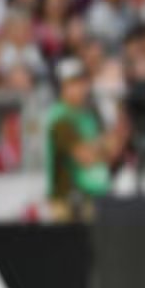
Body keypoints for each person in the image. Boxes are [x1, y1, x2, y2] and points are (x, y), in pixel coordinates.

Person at [45, 58, 123, 221]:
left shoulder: (89, 114)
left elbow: (114, 150)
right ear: (61, 87)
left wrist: (98, 148)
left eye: (82, 82)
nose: (81, 88)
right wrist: (102, 146)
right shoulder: (60, 119)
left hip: (95, 197)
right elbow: (84, 157)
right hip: (67, 203)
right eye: (73, 83)